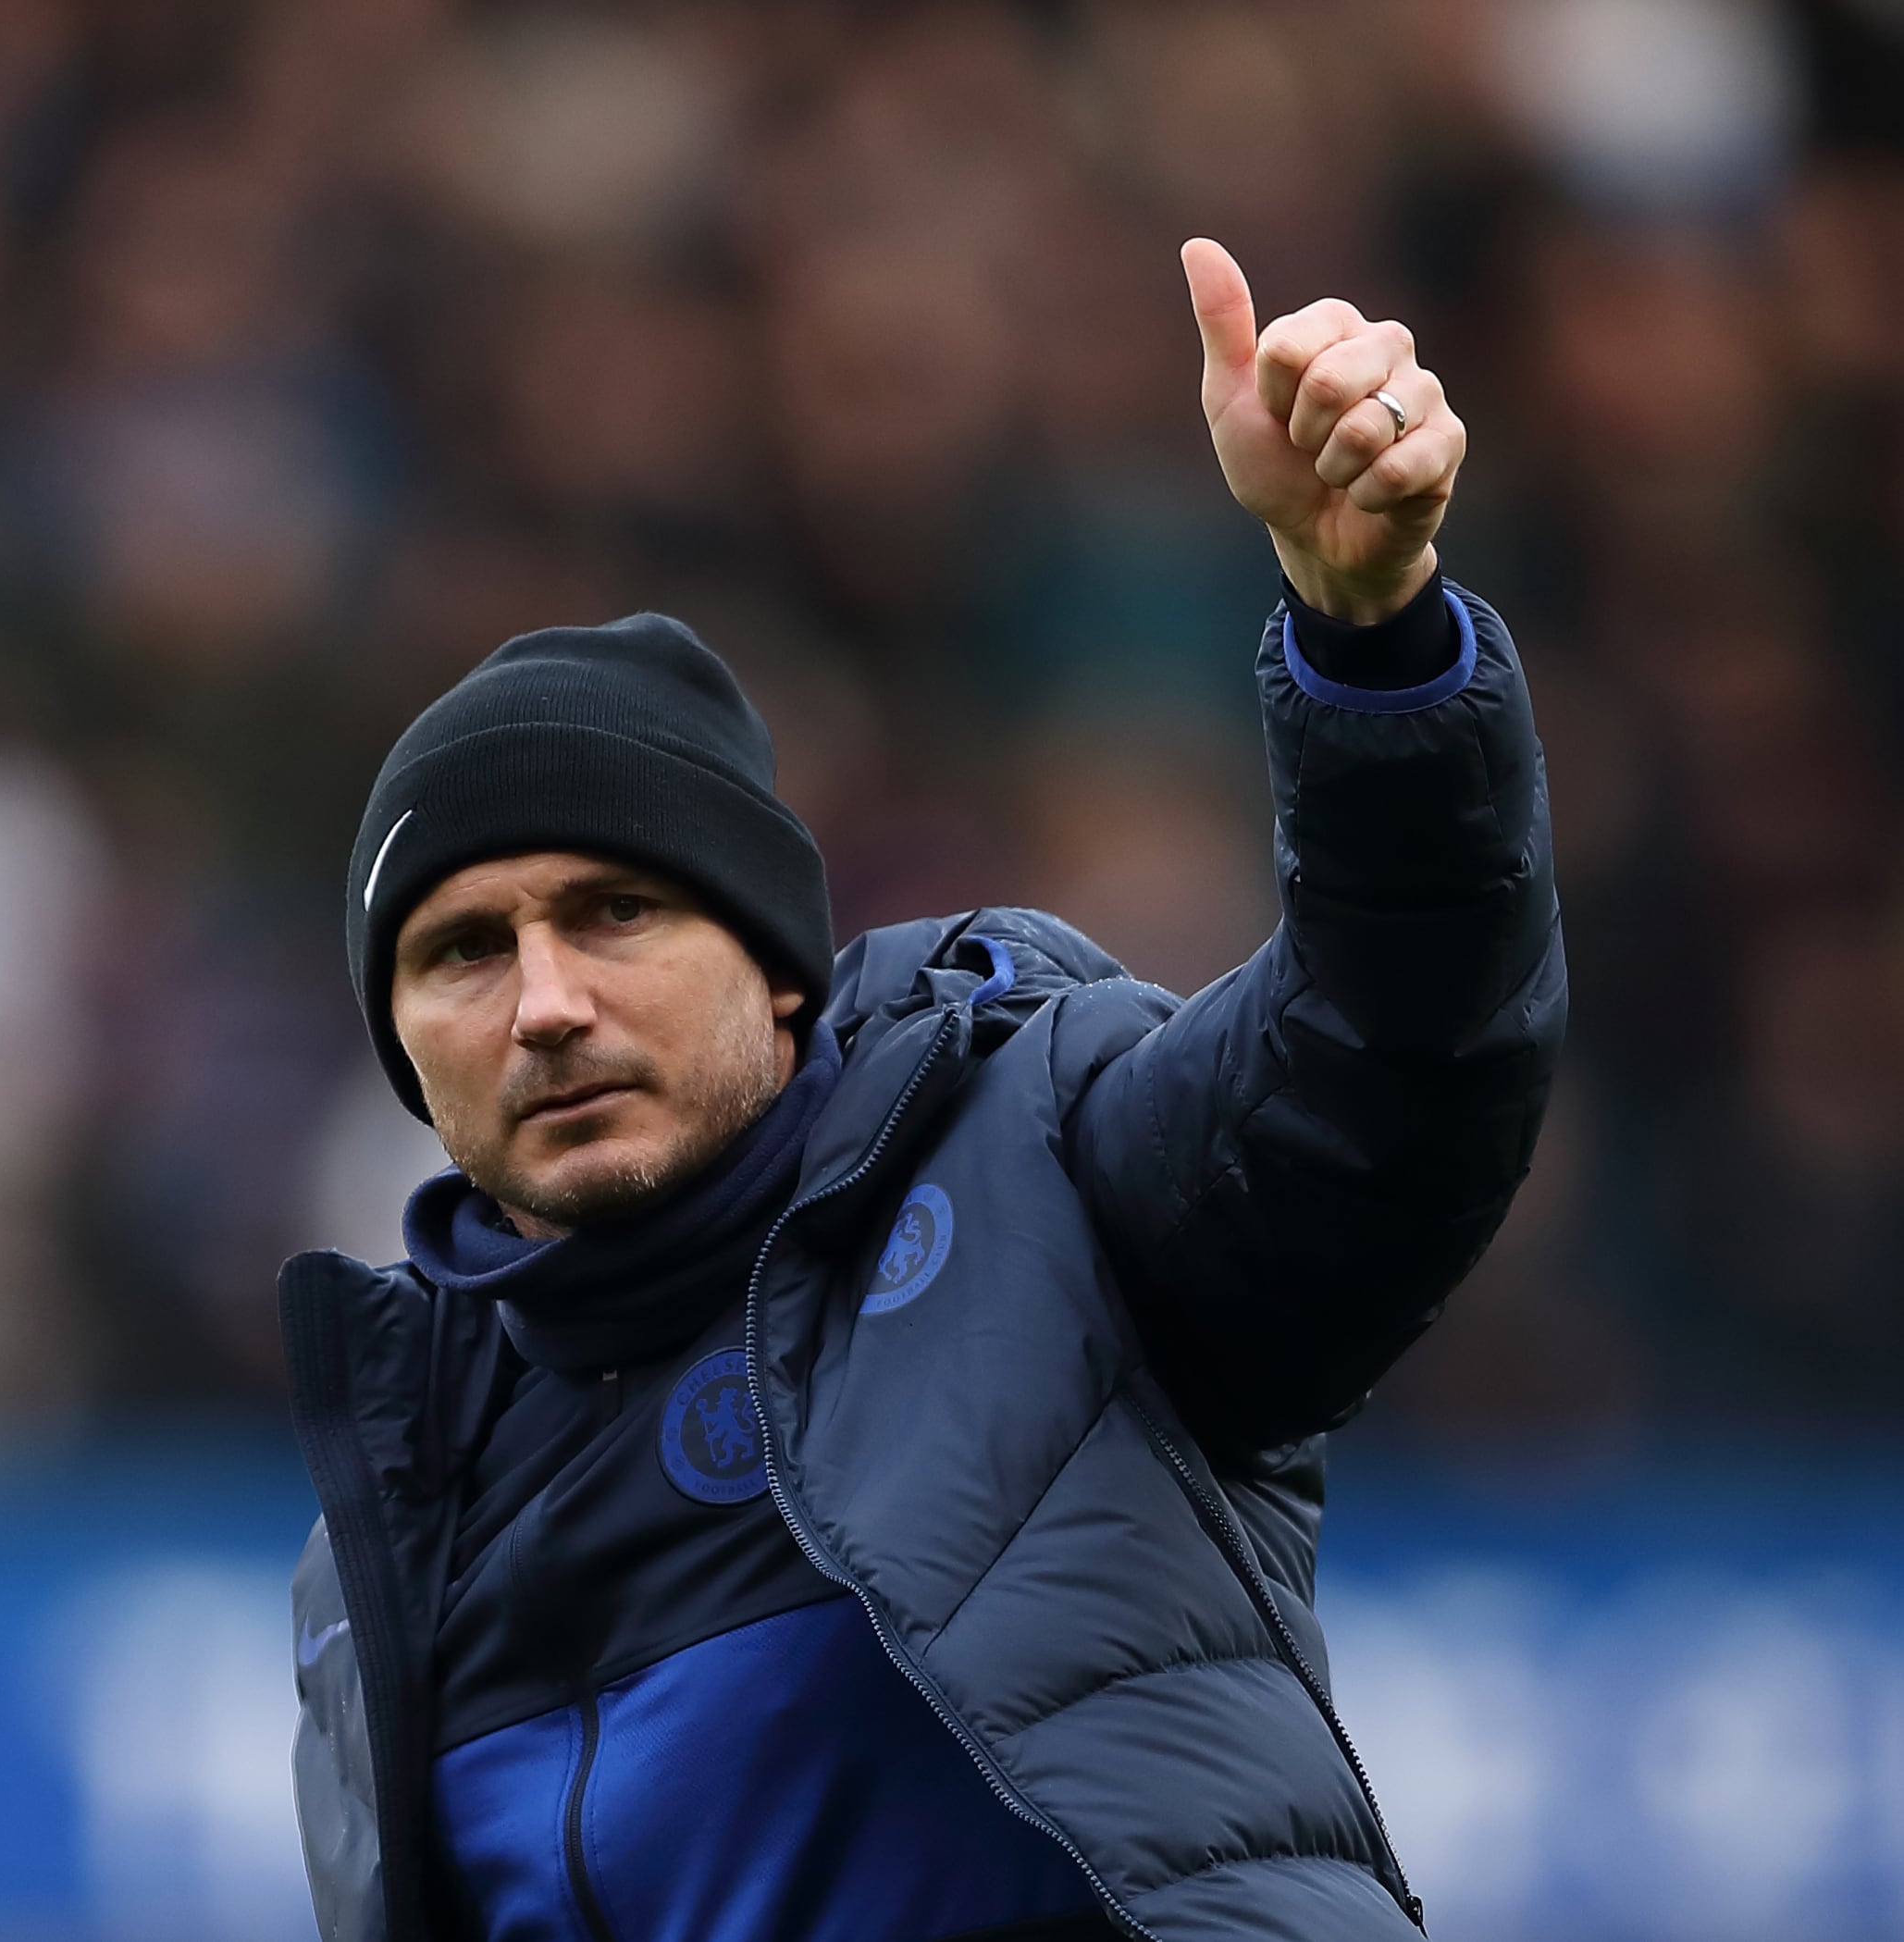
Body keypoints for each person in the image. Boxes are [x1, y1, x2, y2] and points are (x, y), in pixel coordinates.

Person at [280, 237, 1561, 1941]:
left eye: (617, 913)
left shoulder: (1037, 1160)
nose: (548, 1004)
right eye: (461, 951)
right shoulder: (393, 1519)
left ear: (776, 966)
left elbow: (1391, 1065)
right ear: (400, 1044)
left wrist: (1372, 645)